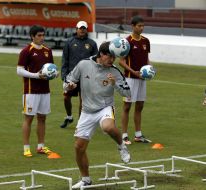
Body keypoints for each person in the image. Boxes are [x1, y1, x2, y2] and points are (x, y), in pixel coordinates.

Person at [64, 41, 131, 189]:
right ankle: (86, 179)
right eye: (110, 57)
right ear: (102, 54)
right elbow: (68, 80)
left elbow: (127, 93)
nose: (112, 61)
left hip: (105, 107)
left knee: (107, 127)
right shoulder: (83, 65)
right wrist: (69, 85)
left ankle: (122, 145)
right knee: (79, 147)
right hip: (87, 111)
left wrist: (115, 84)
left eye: (114, 58)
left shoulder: (114, 71)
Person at [17, 25, 57, 157]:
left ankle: (41, 146)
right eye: (39, 35)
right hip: (31, 90)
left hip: (45, 90)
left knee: (42, 118)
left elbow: (51, 68)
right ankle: (26, 148)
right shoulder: (26, 51)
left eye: (43, 35)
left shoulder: (48, 51)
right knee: (28, 119)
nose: (42, 38)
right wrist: (36, 75)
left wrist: (54, 74)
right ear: (32, 36)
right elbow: (19, 70)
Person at [119, 15, 152, 145]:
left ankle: (138, 135)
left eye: (143, 26)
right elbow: (121, 62)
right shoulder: (127, 42)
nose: (141, 28)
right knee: (127, 106)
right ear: (132, 26)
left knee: (140, 106)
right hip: (130, 79)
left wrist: (150, 69)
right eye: (139, 26)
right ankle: (124, 135)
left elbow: (146, 58)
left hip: (142, 79)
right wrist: (133, 72)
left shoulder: (146, 41)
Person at [60, 20, 98, 128]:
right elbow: (64, 60)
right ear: (76, 29)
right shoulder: (69, 42)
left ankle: (81, 123)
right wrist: (64, 75)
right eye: (80, 28)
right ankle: (69, 116)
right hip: (72, 76)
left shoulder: (92, 43)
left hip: (87, 77)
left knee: (83, 101)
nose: (82, 30)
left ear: (86, 30)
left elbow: (96, 61)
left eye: (84, 28)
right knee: (66, 97)